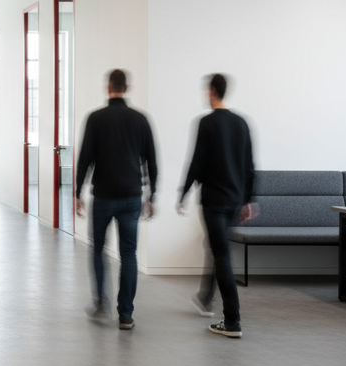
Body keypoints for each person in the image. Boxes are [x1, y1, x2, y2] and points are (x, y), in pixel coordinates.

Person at [75, 69, 158, 331]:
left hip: (103, 196)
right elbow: (151, 160)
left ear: (108, 87)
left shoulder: (96, 118)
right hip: (132, 196)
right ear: (126, 87)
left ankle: (101, 302)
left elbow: (85, 158)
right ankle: (126, 314)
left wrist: (77, 193)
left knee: (98, 249)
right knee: (128, 254)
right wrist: (152, 195)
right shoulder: (140, 119)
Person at [177, 73, 257, 339]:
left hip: (214, 201)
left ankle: (232, 321)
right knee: (215, 247)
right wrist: (248, 200)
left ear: (212, 91)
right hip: (234, 201)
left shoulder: (206, 122)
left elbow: (197, 161)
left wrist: (184, 192)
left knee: (221, 255)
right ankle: (204, 297)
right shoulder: (242, 123)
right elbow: (249, 166)